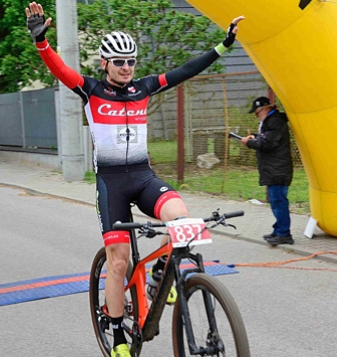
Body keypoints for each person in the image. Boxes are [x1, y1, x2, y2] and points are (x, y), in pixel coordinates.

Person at [25, 3, 244, 356]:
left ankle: (160, 275)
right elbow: (62, 71)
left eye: (131, 61)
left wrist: (224, 45)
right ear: (105, 64)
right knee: (119, 261)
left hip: (143, 177)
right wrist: (41, 42)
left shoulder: (144, 88)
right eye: (119, 62)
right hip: (111, 183)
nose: (127, 68)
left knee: (183, 220)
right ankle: (118, 335)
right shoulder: (91, 90)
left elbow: (184, 71)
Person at [241, 96, 293, 246]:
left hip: (278, 169)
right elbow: (267, 138)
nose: (257, 116)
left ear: (264, 109)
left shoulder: (274, 121)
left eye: (257, 113)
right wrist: (255, 137)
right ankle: (278, 230)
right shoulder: (271, 122)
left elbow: (269, 143)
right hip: (273, 168)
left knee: (279, 201)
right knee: (276, 200)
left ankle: (284, 233)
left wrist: (250, 142)